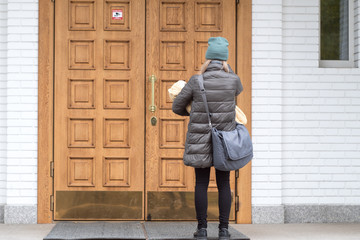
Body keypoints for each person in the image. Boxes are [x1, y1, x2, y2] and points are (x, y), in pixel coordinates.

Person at [172, 36, 243, 240]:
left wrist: (195, 114)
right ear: (224, 60)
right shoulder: (234, 80)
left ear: (208, 59)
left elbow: (177, 106)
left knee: (201, 184)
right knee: (224, 184)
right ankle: (224, 230)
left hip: (200, 139)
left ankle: (202, 230)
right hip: (225, 141)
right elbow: (234, 96)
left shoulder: (197, 80)